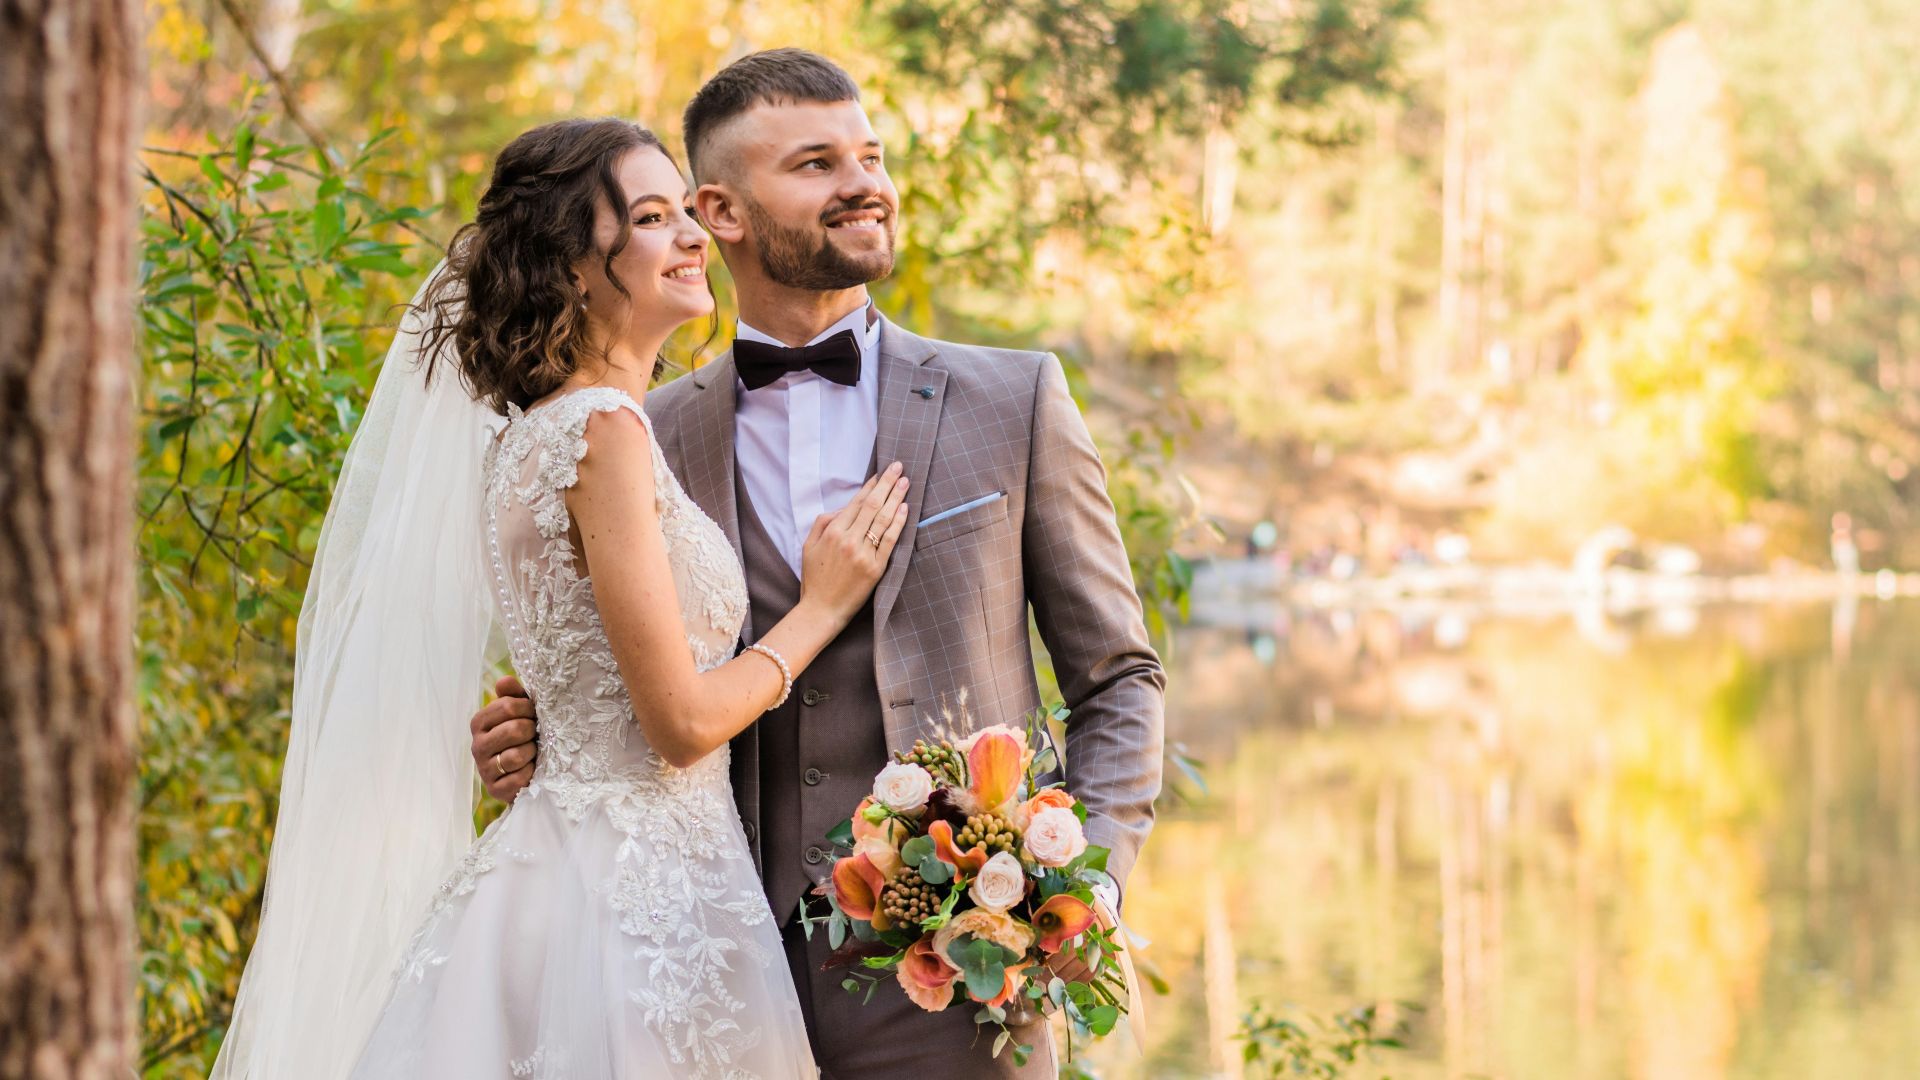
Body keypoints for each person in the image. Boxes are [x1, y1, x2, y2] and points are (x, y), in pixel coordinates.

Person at [471, 49, 1166, 1078]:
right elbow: (617, 678)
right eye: (816, 163)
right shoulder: (629, 431)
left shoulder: (1011, 402)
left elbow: (1119, 677)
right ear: (722, 211)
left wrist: (1083, 893)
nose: (865, 185)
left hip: (961, 984)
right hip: (702, 962)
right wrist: (534, 736)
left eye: (870, 156)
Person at [216, 117, 906, 1078]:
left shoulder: (530, 436)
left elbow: (585, 675)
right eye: (655, 218)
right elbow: (677, 722)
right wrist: (821, 609)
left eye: (685, 213)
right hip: (638, 900)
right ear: (577, 269)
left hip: (571, 868)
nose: (694, 236)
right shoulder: (605, 432)